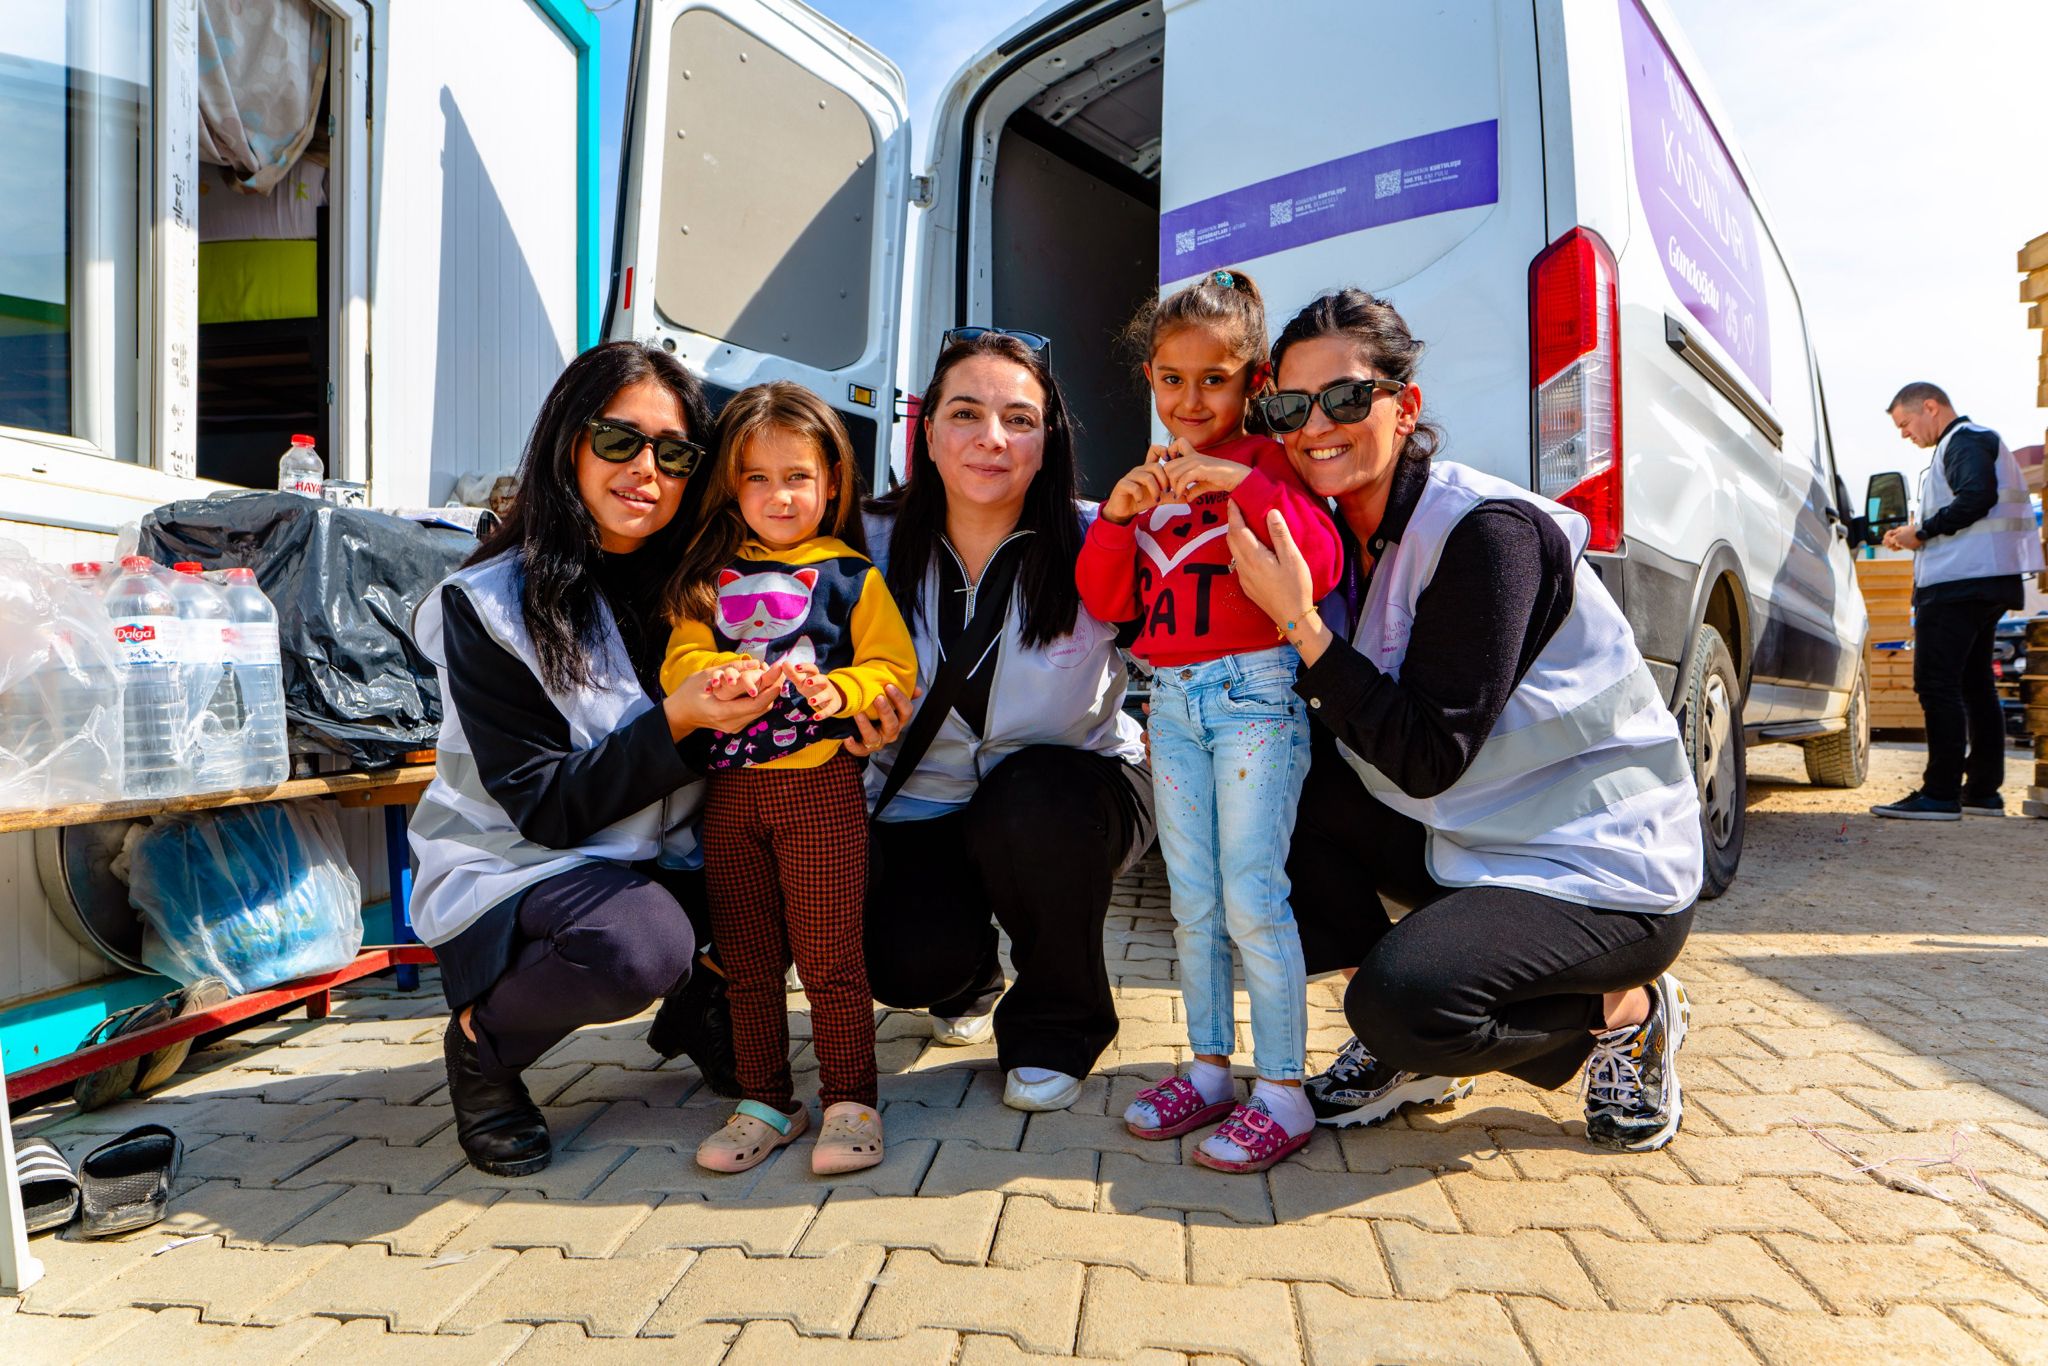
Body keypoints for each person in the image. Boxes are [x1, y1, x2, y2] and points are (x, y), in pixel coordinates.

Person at [1223, 289, 1704, 1153]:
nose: (1315, 424)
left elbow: (1426, 756)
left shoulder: (1486, 535)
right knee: (1271, 789)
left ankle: (1625, 1010)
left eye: (1344, 398)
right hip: (1480, 842)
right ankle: (1417, 1047)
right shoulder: (1335, 538)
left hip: (1605, 868)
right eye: (1291, 406)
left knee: (1401, 999)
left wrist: (1302, 624)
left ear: (1403, 408)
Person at [408, 341, 781, 1177]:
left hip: (665, 849)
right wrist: (682, 721)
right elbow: (546, 806)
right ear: (567, 443)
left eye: (675, 453)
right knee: (636, 946)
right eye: (620, 441)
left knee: (813, 841)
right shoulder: (490, 604)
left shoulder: (714, 585)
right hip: (522, 862)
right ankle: (484, 1050)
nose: (646, 469)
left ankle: (701, 999)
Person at [1074, 269, 1342, 1172]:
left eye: (1215, 379)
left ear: (1253, 381)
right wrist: (1115, 518)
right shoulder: (1148, 481)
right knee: (1191, 902)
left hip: (1257, 700)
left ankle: (1283, 1092)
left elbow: (1323, 561)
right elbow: (1108, 601)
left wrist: (1238, 482)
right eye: (1172, 379)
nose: (1192, 399)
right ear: (1151, 376)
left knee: (1251, 897)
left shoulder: (1270, 471)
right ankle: (1209, 1071)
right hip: (1172, 706)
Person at [854, 327, 1154, 1114]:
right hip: (923, 799)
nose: (992, 439)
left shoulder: (1102, 537)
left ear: (1048, 439)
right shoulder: (863, 545)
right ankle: (973, 975)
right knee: (905, 967)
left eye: (1019, 419)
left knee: (1033, 799)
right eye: (966, 414)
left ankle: (1059, 1024)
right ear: (926, 431)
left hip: (1070, 792)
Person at [660, 381, 917, 1175]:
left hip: (820, 792)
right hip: (730, 799)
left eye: (797, 476)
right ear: (731, 485)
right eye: (757, 478)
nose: (779, 495)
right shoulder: (706, 571)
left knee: (831, 956)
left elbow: (892, 668)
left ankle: (850, 1099)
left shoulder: (851, 576)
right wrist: (716, 676)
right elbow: (682, 660)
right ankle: (767, 1099)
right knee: (746, 957)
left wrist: (843, 690)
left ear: (832, 481)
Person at [1871, 382, 2043, 820]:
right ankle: (1982, 791)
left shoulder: (1963, 441)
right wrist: (1916, 533)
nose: (1905, 435)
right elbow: (1974, 502)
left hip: (1959, 586)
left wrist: (1922, 532)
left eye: (1906, 423)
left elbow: (1977, 496)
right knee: (1973, 684)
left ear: (1930, 407)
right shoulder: (1973, 443)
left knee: (1936, 683)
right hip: (1985, 580)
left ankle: (1940, 793)